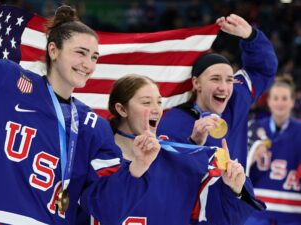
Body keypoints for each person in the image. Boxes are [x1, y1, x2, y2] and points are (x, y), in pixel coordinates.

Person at [0, 1, 160, 224]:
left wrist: (138, 166)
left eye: (94, 57)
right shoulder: (7, 81)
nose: (88, 64)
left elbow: (107, 211)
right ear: (53, 50)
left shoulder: (92, 126)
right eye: (80, 52)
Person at [84, 74, 264, 225]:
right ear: (122, 109)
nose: (156, 109)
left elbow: (219, 219)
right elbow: (101, 211)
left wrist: (235, 190)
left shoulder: (178, 159)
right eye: (146, 102)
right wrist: (137, 167)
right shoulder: (93, 157)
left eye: (159, 102)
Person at [157, 14, 277, 224]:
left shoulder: (236, 101)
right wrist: (193, 143)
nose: (224, 86)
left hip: (232, 213)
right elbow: (165, 174)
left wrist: (251, 36)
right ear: (196, 83)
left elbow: (263, 69)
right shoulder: (172, 121)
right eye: (215, 79)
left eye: (229, 79)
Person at [245, 77, 301, 225]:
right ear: (269, 101)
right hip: (257, 210)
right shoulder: (253, 128)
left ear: (292, 101)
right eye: (276, 98)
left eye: (284, 98)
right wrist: (250, 157)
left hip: (292, 212)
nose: (280, 103)